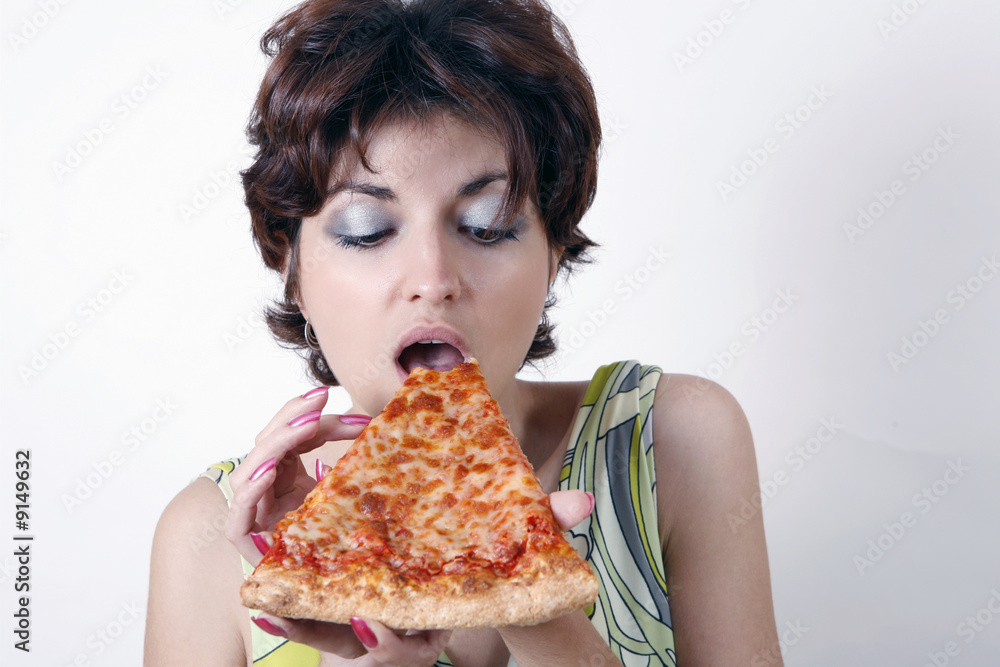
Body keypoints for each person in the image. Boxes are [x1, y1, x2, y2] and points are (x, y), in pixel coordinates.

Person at [144, 0, 782, 665]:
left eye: (487, 223)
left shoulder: (673, 440)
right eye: (367, 230)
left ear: (553, 252)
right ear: (292, 265)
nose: (434, 276)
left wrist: (524, 586)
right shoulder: (207, 540)